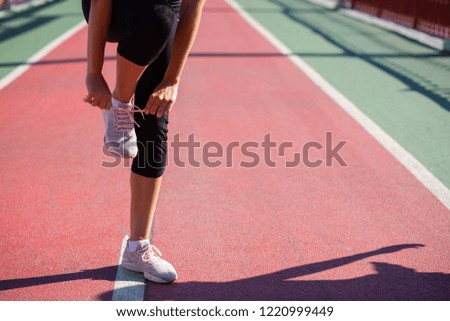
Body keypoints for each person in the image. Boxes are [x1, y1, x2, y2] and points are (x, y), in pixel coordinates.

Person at [82, 0, 205, 283]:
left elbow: (191, 9)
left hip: (162, 16)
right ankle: (120, 104)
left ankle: (137, 248)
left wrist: (172, 80)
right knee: (156, 17)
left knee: (154, 120)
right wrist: (93, 74)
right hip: (112, 10)